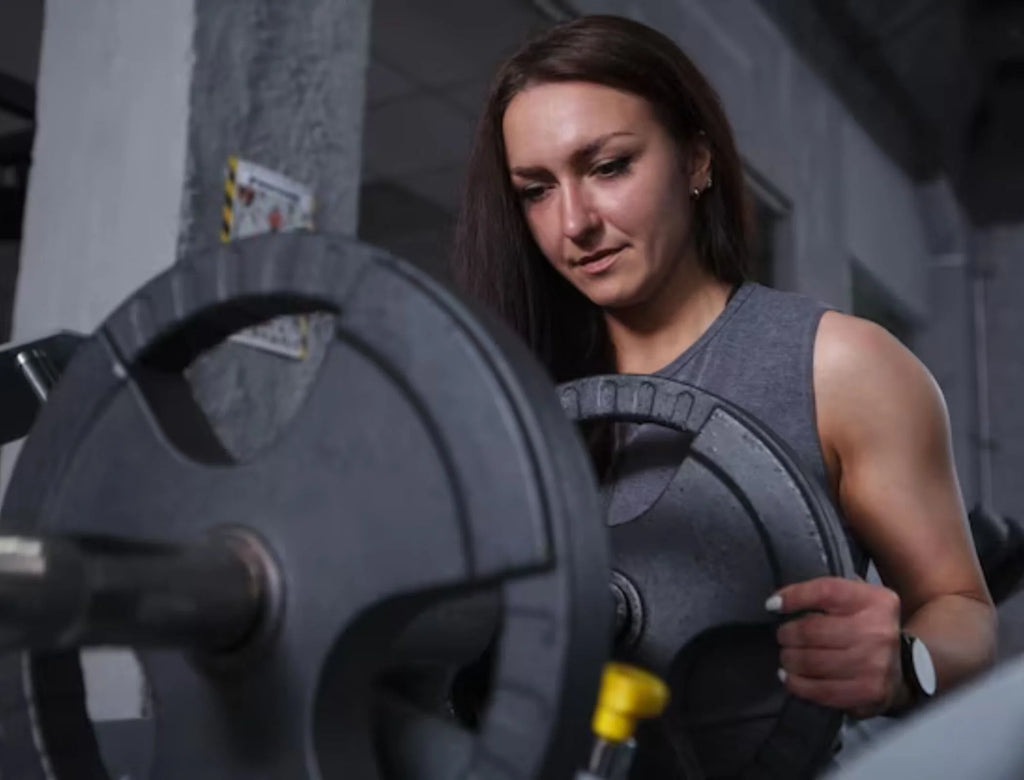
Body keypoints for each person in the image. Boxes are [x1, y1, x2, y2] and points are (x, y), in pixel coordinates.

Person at [449, 12, 996, 768]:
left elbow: (965, 613)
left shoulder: (841, 365)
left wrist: (907, 663)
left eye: (608, 167)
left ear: (696, 159)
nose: (574, 223)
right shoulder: (517, 395)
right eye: (537, 189)